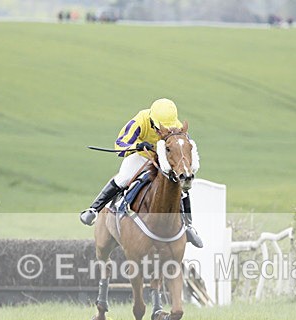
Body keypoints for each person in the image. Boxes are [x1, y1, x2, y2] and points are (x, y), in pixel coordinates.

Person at [79, 98, 203, 248]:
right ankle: (93, 209)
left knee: (181, 187)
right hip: (141, 156)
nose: (163, 130)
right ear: (152, 120)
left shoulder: (176, 126)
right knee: (123, 178)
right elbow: (120, 143)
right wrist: (138, 145)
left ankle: (188, 226)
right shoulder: (140, 120)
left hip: (164, 158)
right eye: (159, 127)